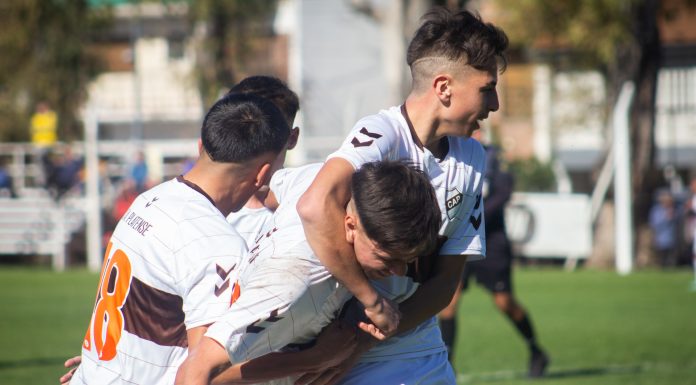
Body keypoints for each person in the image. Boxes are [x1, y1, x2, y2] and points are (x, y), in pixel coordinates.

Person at [296, 7, 508, 384]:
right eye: (487, 89)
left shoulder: (472, 157)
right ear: (444, 87)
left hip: (421, 351)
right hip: (340, 355)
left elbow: (444, 284)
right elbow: (314, 207)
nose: (494, 105)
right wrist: (370, 301)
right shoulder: (380, 136)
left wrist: (370, 336)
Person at [68, 92, 292, 385]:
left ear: (202, 145)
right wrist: (319, 356)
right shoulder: (216, 243)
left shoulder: (149, 199)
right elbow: (208, 371)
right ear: (263, 173)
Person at [175, 161, 442, 385]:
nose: (398, 272)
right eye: (388, 258)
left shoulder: (319, 184)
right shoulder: (295, 285)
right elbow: (197, 371)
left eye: (406, 261)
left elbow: (267, 191)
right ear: (351, 225)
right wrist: (314, 359)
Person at [438, 131, 550, 378]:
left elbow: (502, 194)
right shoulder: (450, 156)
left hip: (492, 243)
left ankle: (536, 350)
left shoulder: (494, 160)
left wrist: (466, 212)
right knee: (449, 301)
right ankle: (447, 364)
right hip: (460, 239)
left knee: (504, 302)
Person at [225, 76, 300, 248]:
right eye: (246, 132)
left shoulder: (307, 209)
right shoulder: (207, 213)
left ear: (292, 138)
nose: (258, 146)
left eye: (270, 135)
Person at [649, 189, 679, 267]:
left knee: (671, 260)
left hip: (672, 239)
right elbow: (654, 224)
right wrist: (665, 217)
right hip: (661, 239)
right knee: (662, 260)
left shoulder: (673, 209)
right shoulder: (656, 210)